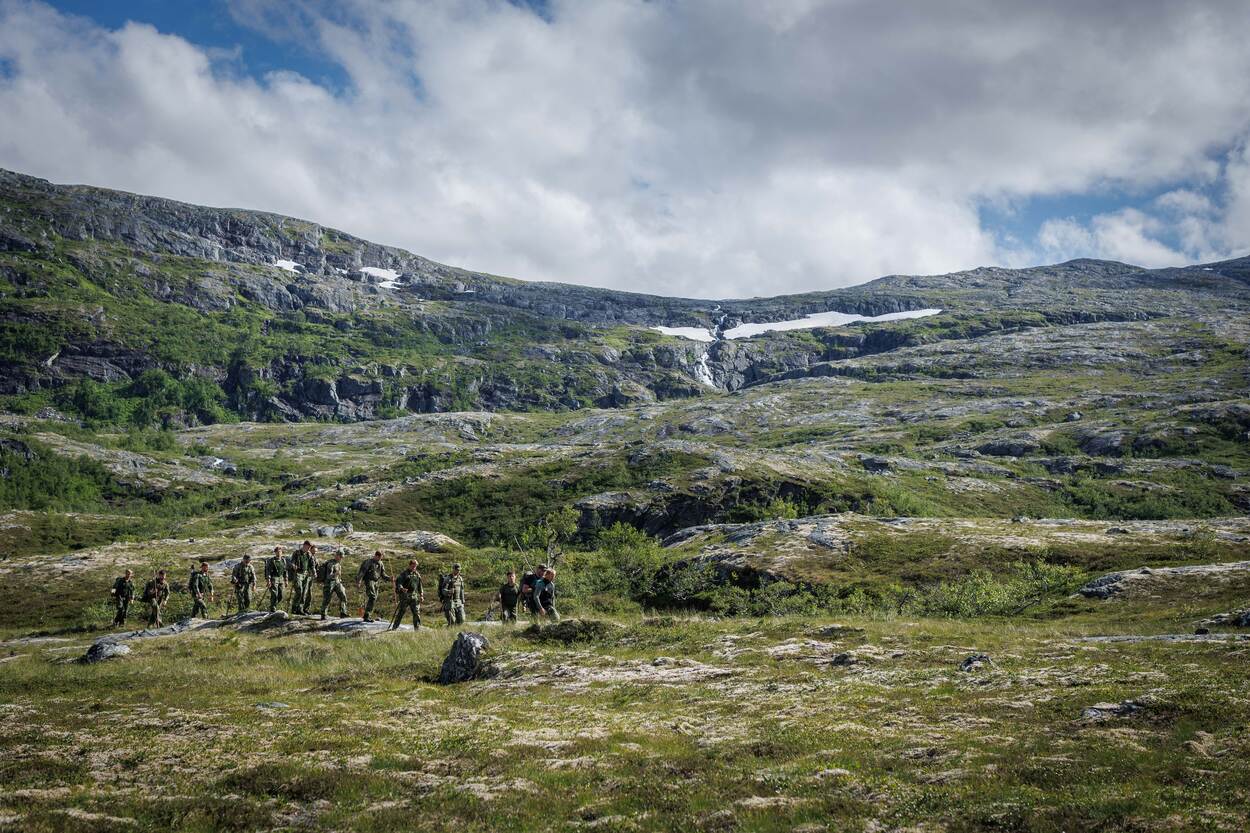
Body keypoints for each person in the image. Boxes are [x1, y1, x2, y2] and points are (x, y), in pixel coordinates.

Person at [356, 550, 391, 622]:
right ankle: (367, 616)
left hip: (376, 582)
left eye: (381, 558)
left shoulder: (381, 563)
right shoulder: (368, 562)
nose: (380, 559)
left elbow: (383, 574)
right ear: (376, 556)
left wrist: (390, 578)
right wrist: (359, 581)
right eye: (379, 558)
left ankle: (367, 615)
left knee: (374, 598)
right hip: (369, 581)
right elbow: (362, 572)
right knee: (372, 597)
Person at [390, 559, 423, 630]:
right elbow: (399, 583)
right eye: (413, 566)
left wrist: (421, 595)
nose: (414, 568)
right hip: (405, 596)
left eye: (415, 566)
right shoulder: (404, 574)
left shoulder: (417, 574)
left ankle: (417, 628)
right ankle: (394, 627)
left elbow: (420, 586)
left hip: (414, 596)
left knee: (416, 613)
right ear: (410, 565)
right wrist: (402, 589)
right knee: (401, 612)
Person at [289, 541, 317, 615]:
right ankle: (294, 608)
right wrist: (293, 565)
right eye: (308, 547)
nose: (308, 548)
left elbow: (312, 564)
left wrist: (314, 571)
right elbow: (292, 561)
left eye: (309, 547)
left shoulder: (309, 554)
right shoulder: (297, 553)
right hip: (298, 573)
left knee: (304, 592)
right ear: (304, 545)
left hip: (305, 574)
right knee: (299, 591)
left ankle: (300, 609)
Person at [319, 550, 349, 620]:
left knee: (343, 596)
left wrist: (339, 580)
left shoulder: (338, 563)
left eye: (342, 557)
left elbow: (339, 575)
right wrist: (335, 574)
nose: (341, 558)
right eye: (340, 557)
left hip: (337, 582)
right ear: (337, 556)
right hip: (329, 583)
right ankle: (323, 614)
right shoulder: (331, 564)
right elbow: (328, 576)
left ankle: (343, 613)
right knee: (327, 599)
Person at [264, 546, 288, 613]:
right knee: (274, 594)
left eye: (280, 552)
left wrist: (286, 580)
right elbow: (268, 571)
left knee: (280, 595)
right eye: (277, 552)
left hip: (281, 579)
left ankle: (274, 605)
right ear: (275, 552)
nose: (279, 553)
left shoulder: (283, 560)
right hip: (273, 578)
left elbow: (285, 570)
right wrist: (268, 580)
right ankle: (273, 608)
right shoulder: (272, 561)